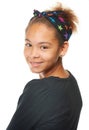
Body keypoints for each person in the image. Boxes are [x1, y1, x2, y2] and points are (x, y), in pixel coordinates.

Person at [6, 3, 82, 130]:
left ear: (63, 48)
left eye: (44, 47)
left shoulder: (38, 90)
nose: (33, 54)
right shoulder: (71, 82)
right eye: (29, 44)